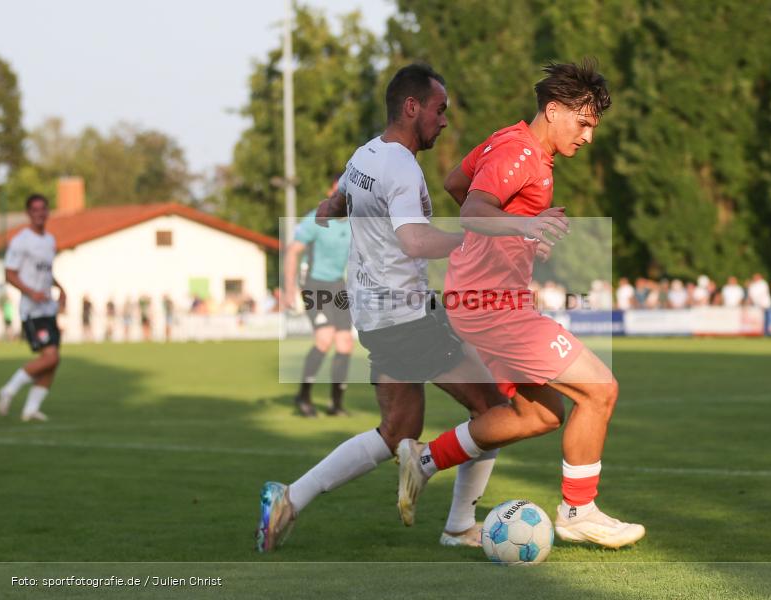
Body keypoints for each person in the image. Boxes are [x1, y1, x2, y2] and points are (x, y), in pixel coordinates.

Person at [256, 64, 513, 553]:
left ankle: (289, 498)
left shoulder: (365, 155)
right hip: (407, 317)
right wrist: (477, 242)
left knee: (398, 431)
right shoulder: (401, 167)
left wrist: (329, 211)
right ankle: (459, 524)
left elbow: (338, 201)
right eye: (439, 110)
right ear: (411, 107)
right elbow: (414, 241)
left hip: (375, 318)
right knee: (495, 412)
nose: (444, 121)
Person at [396, 60, 645, 549]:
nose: (588, 136)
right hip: (492, 307)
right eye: (583, 123)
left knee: (540, 415)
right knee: (600, 390)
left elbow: (455, 182)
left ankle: (424, 460)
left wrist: (515, 232)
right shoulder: (520, 153)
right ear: (553, 111)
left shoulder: (507, 141)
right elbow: (472, 209)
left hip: (483, 303)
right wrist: (525, 226)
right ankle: (578, 512)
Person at [284, 180, 354, 417]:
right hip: (314, 285)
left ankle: (336, 405)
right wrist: (289, 288)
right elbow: (293, 251)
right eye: (338, 188)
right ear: (330, 191)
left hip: (338, 285)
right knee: (324, 338)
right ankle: (303, 397)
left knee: (345, 343)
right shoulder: (315, 219)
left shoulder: (355, 222)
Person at [0, 194, 65, 422]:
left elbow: (45, 272)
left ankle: (30, 409)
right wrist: (31, 292)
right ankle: (8, 390)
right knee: (50, 357)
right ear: (28, 213)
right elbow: (9, 273)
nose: (40, 213)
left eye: (43, 208)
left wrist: (61, 289)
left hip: (48, 308)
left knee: (53, 361)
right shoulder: (21, 241)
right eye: (35, 209)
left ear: (48, 211)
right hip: (32, 310)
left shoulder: (49, 240)